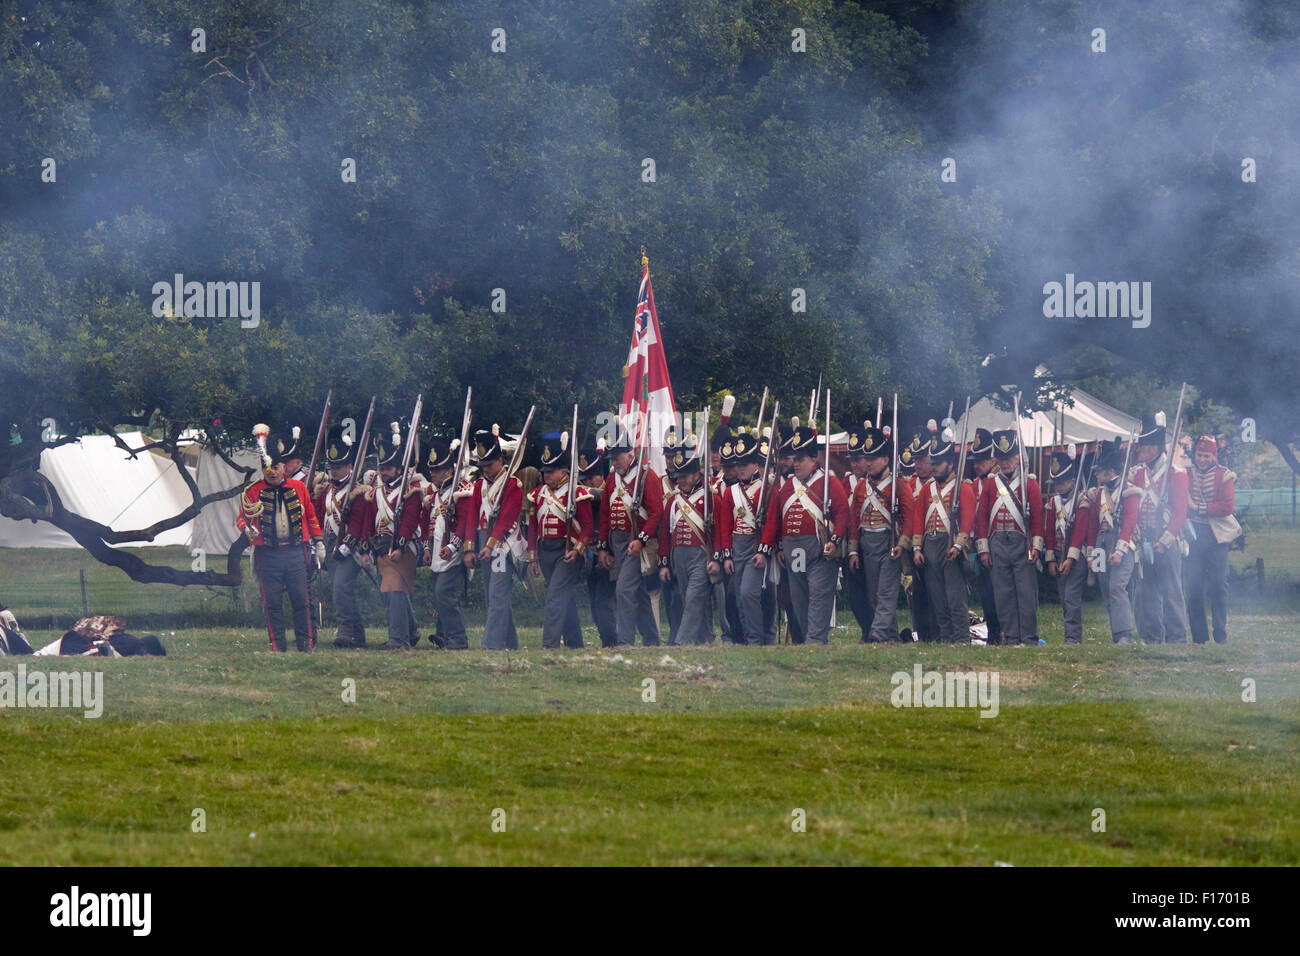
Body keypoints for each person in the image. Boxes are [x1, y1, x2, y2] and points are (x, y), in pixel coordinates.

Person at [237, 424, 325, 652]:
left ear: (283, 467)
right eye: (267, 468)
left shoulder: (299, 488)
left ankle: (305, 644)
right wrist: (247, 530)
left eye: (275, 467)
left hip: (296, 552)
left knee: (301, 600)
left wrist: (319, 542)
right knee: (272, 603)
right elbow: (242, 519)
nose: (272, 472)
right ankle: (278, 645)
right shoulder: (252, 491)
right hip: (267, 554)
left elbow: (311, 517)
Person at [758, 424, 848, 645]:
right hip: (794, 552)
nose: (796, 464)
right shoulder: (787, 487)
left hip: (819, 549)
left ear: (813, 458)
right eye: (793, 459)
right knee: (800, 598)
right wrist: (772, 547)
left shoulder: (829, 482)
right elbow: (774, 521)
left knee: (819, 595)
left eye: (800, 459)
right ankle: (809, 639)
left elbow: (843, 512)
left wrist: (835, 540)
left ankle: (816, 640)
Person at [351, 421, 424, 650]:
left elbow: (410, 521)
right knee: (394, 592)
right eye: (382, 468)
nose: (384, 472)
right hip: (381, 548)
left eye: (389, 468)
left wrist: (400, 546)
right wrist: (365, 550)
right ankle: (411, 632)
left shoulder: (410, 491)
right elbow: (368, 523)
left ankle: (398, 640)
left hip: (403, 547)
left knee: (395, 591)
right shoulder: (375, 492)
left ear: (399, 469)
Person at [974, 427, 1043, 646]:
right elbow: (982, 517)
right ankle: (1011, 637)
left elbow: (1037, 518)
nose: (1005, 463)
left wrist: (1036, 546)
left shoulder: (1030, 484)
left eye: (1009, 457)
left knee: (1025, 592)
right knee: (1003, 593)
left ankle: (1029, 637)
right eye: (1001, 458)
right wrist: (984, 549)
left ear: (1018, 457)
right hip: (997, 542)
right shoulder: (991, 485)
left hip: (1021, 542)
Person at [528, 432, 594, 649]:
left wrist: (577, 549)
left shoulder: (577, 493)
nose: (546, 475)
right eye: (544, 471)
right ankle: (575, 643)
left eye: (551, 471)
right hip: (545, 551)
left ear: (564, 471)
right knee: (564, 598)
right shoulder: (538, 494)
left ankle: (549, 644)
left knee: (555, 596)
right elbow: (533, 527)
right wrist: (533, 557)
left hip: (566, 552)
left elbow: (587, 527)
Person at [846, 424, 912, 643]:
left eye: (874, 458)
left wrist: (901, 544)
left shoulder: (898, 485)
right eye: (867, 458)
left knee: (886, 592)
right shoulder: (860, 487)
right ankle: (891, 636)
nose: (869, 463)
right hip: (867, 543)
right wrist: (854, 551)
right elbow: (855, 520)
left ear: (885, 459)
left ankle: (878, 634)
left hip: (889, 542)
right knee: (873, 594)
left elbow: (910, 516)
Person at [597, 430, 663, 646]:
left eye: (617, 457)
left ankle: (624, 641)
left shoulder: (646, 476)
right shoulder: (611, 478)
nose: (614, 462)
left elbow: (656, 513)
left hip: (637, 542)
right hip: (617, 543)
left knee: (624, 589)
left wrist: (641, 540)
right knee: (639, 592)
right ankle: (652, 639)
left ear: (630, 453)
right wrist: (604, 547)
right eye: (612, 458)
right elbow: (605, 513)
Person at [465, 425, 527, 650]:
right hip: (483, 540)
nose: (486, 470)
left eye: (489, 465)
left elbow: (506, 519)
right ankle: (510, 643)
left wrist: (491, 545)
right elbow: (471, 516)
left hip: (502, 545)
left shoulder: (512, 485)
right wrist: (469, 548)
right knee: (492, 594)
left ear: (500, 460)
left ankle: (491, 644)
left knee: (497, 594)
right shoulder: (479, 485)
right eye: (482, 466)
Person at [1131, 412, 1191, 643]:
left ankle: (1177, 638)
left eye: (1143, 447)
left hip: (1166, 539)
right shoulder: (1139, 474)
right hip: (1144, 539)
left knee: (1171, 592)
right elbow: (1133, 506)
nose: (1139, 451)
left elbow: (1180, 512)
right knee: (1146, 592)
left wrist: (1165, 541)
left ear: (1155, 448)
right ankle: (1152, 638)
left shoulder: (1176, 474)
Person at [658, 438, 723, 645]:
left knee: (694, 598)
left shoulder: (709, 498)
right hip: (679, 557)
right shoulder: (673, 501)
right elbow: (666, 535)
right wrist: (665, 563)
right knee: (690, 599)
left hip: (700, 555)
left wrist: (716, 558)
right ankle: (705, 639)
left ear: (696, 474)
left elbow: (719, 530)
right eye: (678, 477)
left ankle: (682, 641)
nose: (681, 481)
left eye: (685, 476)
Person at [912, 428, 975, 643]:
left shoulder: (962, 488)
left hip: (951, 547)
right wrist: (917, 548)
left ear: (949, 464)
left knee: (955, 597)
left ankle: (961, 638)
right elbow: (918, 519)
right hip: (930, 544)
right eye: (933, 463)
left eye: (938, 464)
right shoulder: (926, 490)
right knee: (937, 596)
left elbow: (967, 520)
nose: (934, 467)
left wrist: (958, 546)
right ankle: (946, 638)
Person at [1075, 438, 1140, 644]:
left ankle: (1125, 635)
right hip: (1102, 544)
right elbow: (1094, 526)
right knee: (1105, 589)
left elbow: (1129, 522)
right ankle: (1116, 633)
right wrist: (1092, 555)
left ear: (1111, 471)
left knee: (1116, 588)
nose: (1096, 474)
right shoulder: (1098, 494)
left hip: (1122, 543)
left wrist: (1119, 551)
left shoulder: (1129, 491)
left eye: (1100, 470)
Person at [313, 424, 368, 648]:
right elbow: (317, 517)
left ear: (349, 466)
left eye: (339, 466)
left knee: (340, 588)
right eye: (332, 466)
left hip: (349, 550)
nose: (334, 471)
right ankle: (358, 634)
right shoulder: (325, 490)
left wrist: (343, 548)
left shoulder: (358, 491)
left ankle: (345, 631)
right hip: (329, 546)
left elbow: (357, 525)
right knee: (340, 589)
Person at [715, 430, 772, 645]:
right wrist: (728, 555)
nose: (740, 469)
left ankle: (756, 639)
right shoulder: (731, 492)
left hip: (755, 546)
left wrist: (763, 550)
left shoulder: (765, 489)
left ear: (756, 465)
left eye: (744, 464)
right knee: (739, 596)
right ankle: (746, 638)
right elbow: (725, 525)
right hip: (737, 546)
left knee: (749, 594)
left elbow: (771, 523)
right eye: (738, 465)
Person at [1185, 434, 1240, 644]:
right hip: (1193, 534)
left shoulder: (1224, 475)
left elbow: (1227, 506)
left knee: (1218, 584)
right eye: (1199, 455)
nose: (1202, 459)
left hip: (1216, 535)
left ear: (1214, 456)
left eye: (1206, 456)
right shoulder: (1186, 473)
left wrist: (1198, 507)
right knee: (1193, 586)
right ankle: (1199, 638)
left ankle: (1220, 634)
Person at [422, 437, 474, 650]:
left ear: (449, 470)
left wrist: (452, 546)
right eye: (431, 470)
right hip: (436, 552)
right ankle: (444, 635)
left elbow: (464, 522)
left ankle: (458, 639)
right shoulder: (434, 493)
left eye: (437, 469)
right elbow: (429, 525)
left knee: (445, 593)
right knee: (440, 593)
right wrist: (426, 548)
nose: (432, 473)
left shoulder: (461, 490)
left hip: (454, 552)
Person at [1044, 449, 1087, 644]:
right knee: (1064, 599)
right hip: (1059, 557)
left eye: (1062, 483)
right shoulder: (1053, 502)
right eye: (1056, 484)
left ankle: (1073, 639)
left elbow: (1079, 533)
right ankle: (1070, 635)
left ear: (1071, 481)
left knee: (1071, 598)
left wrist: (1070, 558)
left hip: (1076, 558)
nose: (1059, 487)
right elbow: (1049, 532)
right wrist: (1051, 559)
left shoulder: (1081, 501)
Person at [578, 441, 619, 647]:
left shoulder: (608, 492)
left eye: (591, 477)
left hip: (609, 553)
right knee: (595, 604)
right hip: (590, 554)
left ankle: (612, 641)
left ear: (600, 476)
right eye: (583, 479)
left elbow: (604, 499)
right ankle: (607, 639)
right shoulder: (583, 494)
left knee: (604, 602)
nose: (587, 482)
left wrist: (586, 492)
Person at [839, 425, 876, 642]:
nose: (854, 463)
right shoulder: (847, 482)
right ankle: (866, 630)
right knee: (855, 594)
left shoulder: (877, 481)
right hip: (852, 543)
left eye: (859, 458)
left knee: (875, 591)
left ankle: (878, 630)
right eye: (852, 458)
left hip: (872, 540)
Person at [967, 428, 1004, 644]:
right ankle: (993, 633)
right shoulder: (972, 486)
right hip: (980, 545)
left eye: (981, 460)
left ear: (992, 459)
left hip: (1000, 541)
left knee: (1005, 592)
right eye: (976, 460)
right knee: (987, 593)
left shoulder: (1002, 482)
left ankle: (1010, 631)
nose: (977, 464)